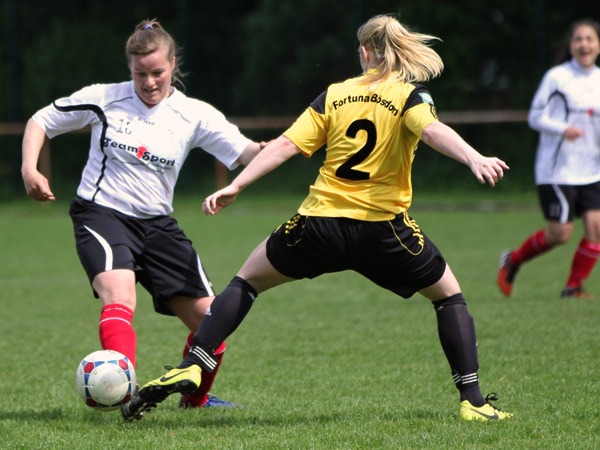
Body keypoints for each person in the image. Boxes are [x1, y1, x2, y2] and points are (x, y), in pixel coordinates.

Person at [122, 14, 513, 422]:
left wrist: (237, 185)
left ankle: (194, 361)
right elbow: (431, 131)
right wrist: (474, 157)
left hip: (318, 224)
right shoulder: (409, 95)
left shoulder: (335, 95)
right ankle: (473, 401)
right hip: (382, 230)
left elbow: (286, 145)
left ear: (364, 54)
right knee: (448, 297)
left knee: (246, 281)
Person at [21, 19, 266, 410]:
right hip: (101, 213)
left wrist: (280, 148)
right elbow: (42, 120)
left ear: (173, 65)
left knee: (213, 321)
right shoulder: (105, 98)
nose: (149, 82)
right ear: (130, 68)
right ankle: (122, 391)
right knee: (121, 296)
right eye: (140, 73)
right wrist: (29, 169)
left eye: (157, 72)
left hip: (158, 225)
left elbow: (247, 153)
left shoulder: (194, 114)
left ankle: (195, 400)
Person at [497, 19, 600, 299]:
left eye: (589, 39)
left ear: (598, 45)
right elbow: (535, 116)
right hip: (558, 170)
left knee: (596, 229)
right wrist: (562, 129)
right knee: (560, 234)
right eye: (578, 39)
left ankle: (573, 287)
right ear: (571, 45)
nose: (584, 44)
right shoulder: (557, 77)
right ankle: (513, 260)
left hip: (592, 169)